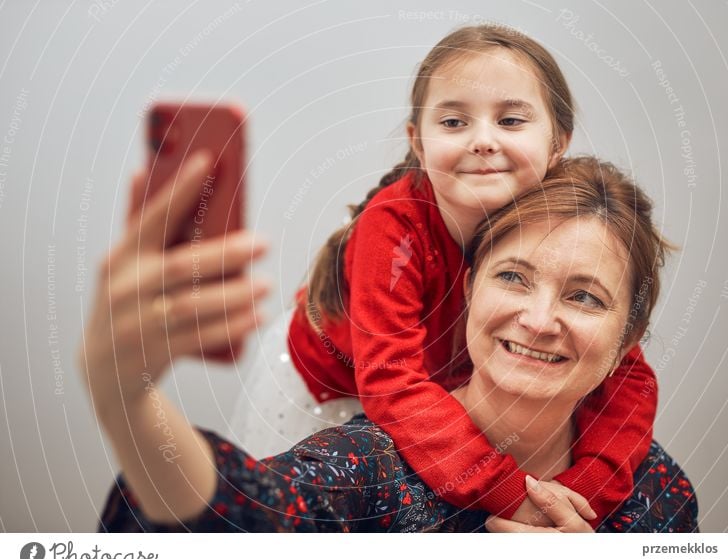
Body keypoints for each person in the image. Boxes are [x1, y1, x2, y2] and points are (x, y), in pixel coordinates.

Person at [88, 156, 697, 533]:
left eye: (584, 297)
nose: (539, 319)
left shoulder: (659, 498)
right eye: (513, 276)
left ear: (628, 341)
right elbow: (239, 518)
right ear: (468, 289)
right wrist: (128, 403)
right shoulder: (369, 470)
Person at [233, 24, 659, 525]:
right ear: (417, 140)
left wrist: (573, 497)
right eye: (454, 121)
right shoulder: (393, 227)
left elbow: (628, 375)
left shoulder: (564, 221)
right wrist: (512, 496)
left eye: (511, 120)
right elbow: (390, 382)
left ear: (558, 142)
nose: (482, 140)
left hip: (437, 382)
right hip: (335, 384)